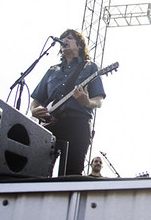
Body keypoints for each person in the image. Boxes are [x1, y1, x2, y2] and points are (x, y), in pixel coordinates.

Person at [30, 29, 106, 175]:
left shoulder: (90, 67)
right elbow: (36, 100)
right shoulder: (52, 70)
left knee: (71, 173)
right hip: (48, 124)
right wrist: (34, 110)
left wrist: (87, 102)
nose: (64, 40)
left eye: (69, 38)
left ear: (79, 45)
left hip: (77, 124)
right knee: (38, 169)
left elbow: (98, 101)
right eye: (63, 38)